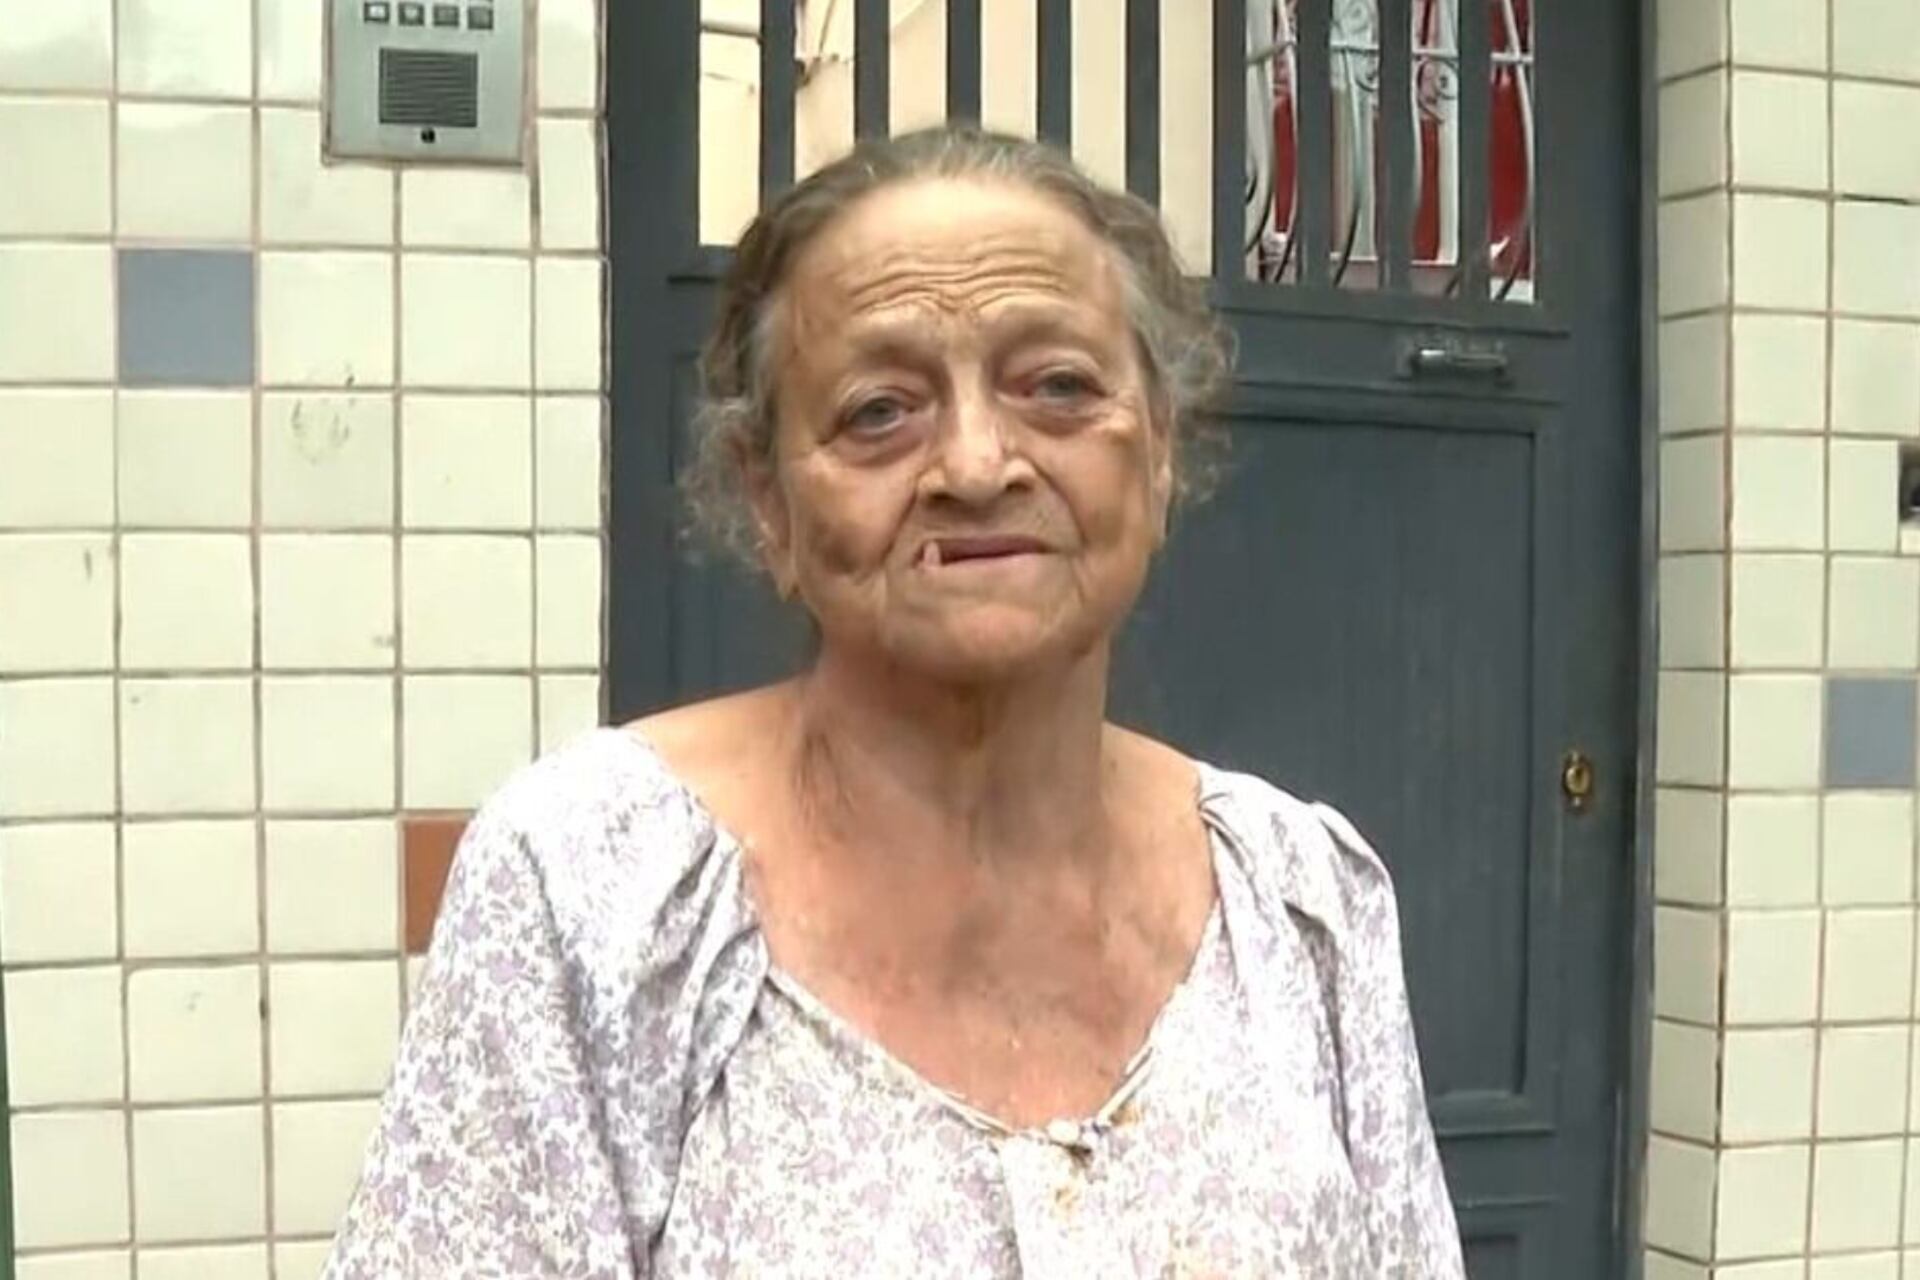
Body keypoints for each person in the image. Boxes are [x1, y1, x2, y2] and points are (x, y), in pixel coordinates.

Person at [324, 124, 1465, 1278]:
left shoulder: (1302, 902)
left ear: (1158, 452)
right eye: (880, 410)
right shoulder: (597, 884)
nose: (976, 466)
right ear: (767, 501)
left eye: (1058, 386)